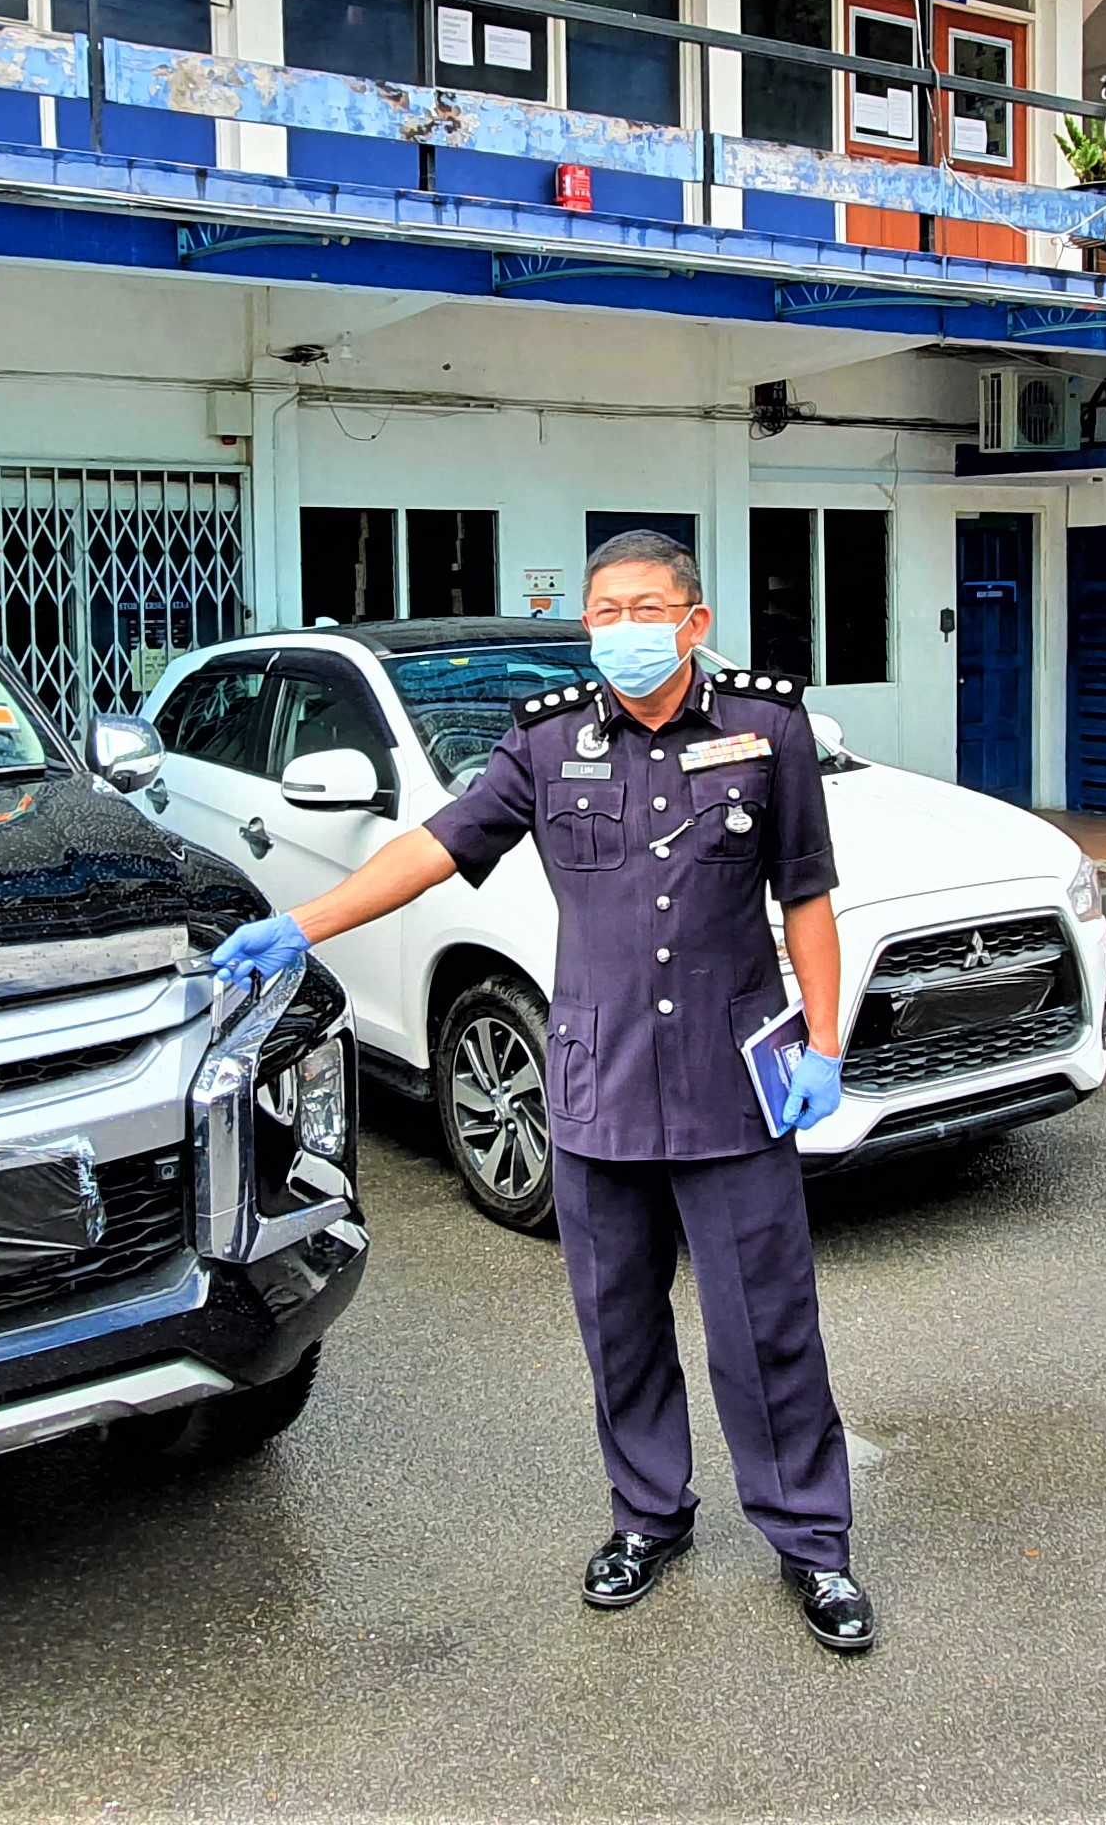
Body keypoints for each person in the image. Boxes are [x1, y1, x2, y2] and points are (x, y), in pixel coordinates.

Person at [204, 530, 878, 1653]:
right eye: (605, 611)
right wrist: (301, 924)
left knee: (766, 1327)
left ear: (696, 622)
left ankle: (813, 1542)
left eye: (647, 609)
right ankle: (648, 1515)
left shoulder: (768, 730)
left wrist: (823, 1040)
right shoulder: (550, 739)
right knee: (619, 1322)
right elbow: (436, 845)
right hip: (599, 1081)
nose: (624, 629)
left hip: (731, 1082)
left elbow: (806, 892)